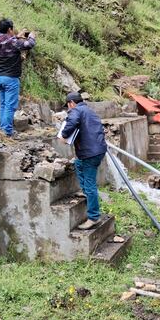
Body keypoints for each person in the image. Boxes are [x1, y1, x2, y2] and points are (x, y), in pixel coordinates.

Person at [61, 92, 108, 230]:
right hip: (97, 150)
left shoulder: (76, 110)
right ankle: (85, 191)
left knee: (90, 184)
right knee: (78, 164)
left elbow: (72, 122)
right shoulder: (90, 111)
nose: (68, 109)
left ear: (71, 103)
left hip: (89, 153)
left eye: (68, 106)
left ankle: (94, 217)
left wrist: (64, 135)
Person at [0, 18, 36, 137]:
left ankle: (3, 130)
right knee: (10, 106)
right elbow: (29, 44)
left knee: (3, 104)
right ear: (10, 29)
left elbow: (6, 40)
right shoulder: (13, 42)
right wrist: (32, 36)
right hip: (11, 79)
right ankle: (7, 132)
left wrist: (16, 36)